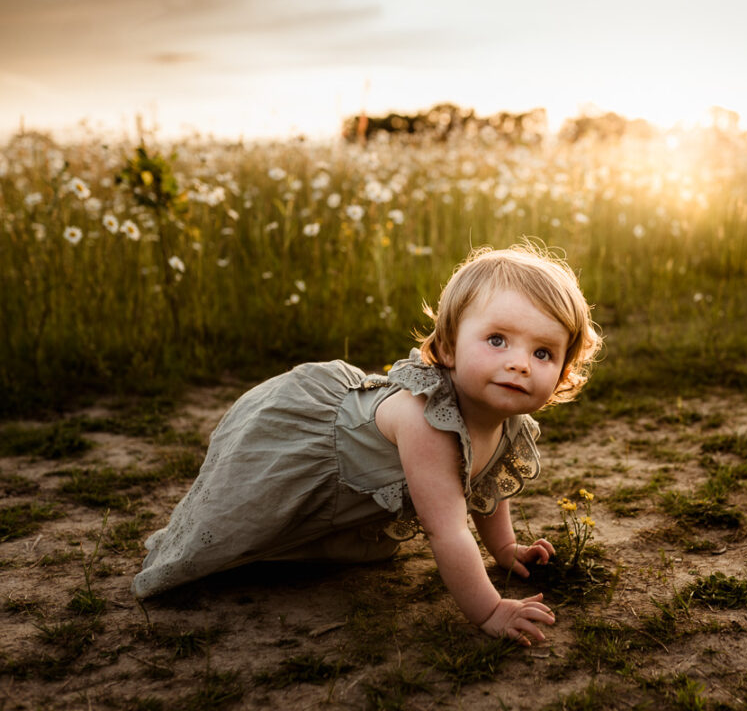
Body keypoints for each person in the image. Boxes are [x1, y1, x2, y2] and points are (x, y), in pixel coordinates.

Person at [132, 243, 601, 646]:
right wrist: (489, 610)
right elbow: (449, 529)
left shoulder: (507, 418)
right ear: (450, 349)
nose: (520, 363)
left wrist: (506, 549)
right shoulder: (427, 420)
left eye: (543, 353)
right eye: (497, 340)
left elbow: (484, 486)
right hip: (308, 447)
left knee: (317, 552)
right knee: (240, 531)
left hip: (352, 488)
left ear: (562, 372)